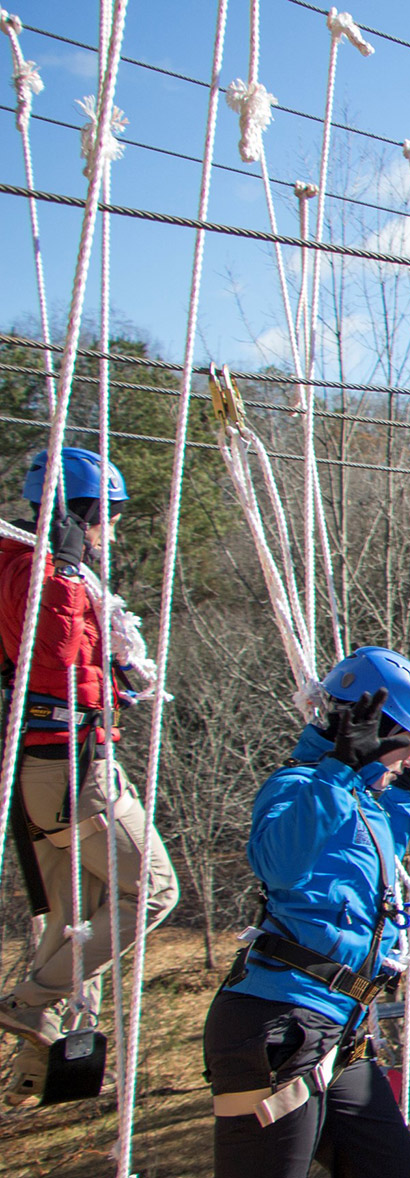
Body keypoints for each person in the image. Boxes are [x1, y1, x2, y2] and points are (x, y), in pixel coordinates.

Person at [78, 649, 410, 1178]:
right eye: (400, 748)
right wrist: (340, 766)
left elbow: (383, 853)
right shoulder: (300, 784)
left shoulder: (361, 801)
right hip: (275, 1025)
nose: (401, 762)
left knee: (387, 1176)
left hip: (340, 1032)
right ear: (362, 729)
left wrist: (400, 786)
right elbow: (281, 861)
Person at [0, 444, 178, 1106]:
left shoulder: (32, 571)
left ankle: (35, 1067)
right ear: (81, 513)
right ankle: (32, 999)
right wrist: (70, 572)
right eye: (111, 516)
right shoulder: (40, 573)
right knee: (154, 890)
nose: (115, 531)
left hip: (45, 768)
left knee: (76, 919)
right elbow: (52, 656)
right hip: (71, 767)